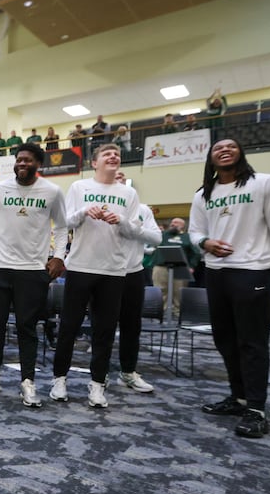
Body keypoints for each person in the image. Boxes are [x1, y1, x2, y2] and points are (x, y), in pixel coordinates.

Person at [189, 138, 270, 438]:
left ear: (241, 152)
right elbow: (194, 232)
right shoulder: (203, 193)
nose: (225, 150)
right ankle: (238, 397)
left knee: (252, 341)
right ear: (210, 158)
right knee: (224, 339)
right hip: (216, 273)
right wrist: (206, 243)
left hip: (253, 271)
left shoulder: (266, 183)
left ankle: (256, 408)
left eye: (231, 146)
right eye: (218, 148)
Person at [0, 143, 67, 407]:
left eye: (28, 161)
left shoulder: (52, 192)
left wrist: (59, 256)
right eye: (19, 160)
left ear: (38, 164)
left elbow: (61, 227)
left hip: (32, 270)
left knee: (27, 328)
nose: (22, 164)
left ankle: (28, 381)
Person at [49, 144, 143, 409]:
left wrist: (120, 220)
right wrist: (84, 212)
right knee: (68, 327)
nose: (113, 157)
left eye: (117, 154)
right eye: (107, 154)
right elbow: (65, 221)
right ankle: (59, 379)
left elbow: (135, 230)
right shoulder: (80, 188)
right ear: (95, 162)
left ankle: (98, 385)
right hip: (80, 267)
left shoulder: (129, 192)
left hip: (113, 270)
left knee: (104, 331)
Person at [113, 171, 161, 393]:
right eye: (114, 177)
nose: (118, 178)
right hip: (102, 273)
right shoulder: (99, 207)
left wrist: (132, 227)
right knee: (101, 327)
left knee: (132, 327)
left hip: (133, 272)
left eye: (122, 176)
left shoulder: (142, 210)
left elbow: (156, 238)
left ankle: (128, 372)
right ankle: (98, 376)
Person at [151, 218, 200, 317]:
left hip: (180, 268)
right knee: (160, 291)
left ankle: (178, 313)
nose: (173, 224)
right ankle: (161, 313)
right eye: (172, 222)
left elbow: (196, 253)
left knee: (179, 292)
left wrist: (191, 266)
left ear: (183, 226)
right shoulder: (162, 235)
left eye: (176, 223)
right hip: (161, 267)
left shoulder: (187, 237)